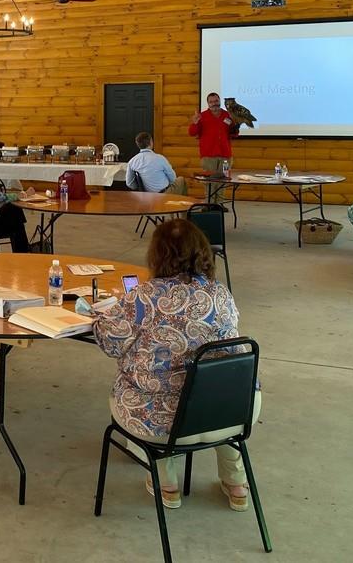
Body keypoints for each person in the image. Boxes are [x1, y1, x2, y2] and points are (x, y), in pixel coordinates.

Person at [93, 218, 260, 512]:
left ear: (157, 255)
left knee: (152, 385)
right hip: (237, 410)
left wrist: (102, 319)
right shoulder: (220, 292)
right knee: (212, 384)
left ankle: (167, 485)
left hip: (164, 424)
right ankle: (236, 484)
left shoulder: (144, 296)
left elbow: (111, 343)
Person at [188, 92, 239, 203]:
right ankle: (209, 204)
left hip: (225, 155)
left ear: (220, 101)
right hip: (208, 156)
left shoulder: (228, 115)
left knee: (223, 181)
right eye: (211, 102)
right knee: (209, 182)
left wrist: (236, 126)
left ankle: (219, 205)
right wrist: (195, 123)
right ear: (208, 104)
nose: (214, 104)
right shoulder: (202, 116)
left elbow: (234, 134)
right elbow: (192, 133)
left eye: (216, 101)